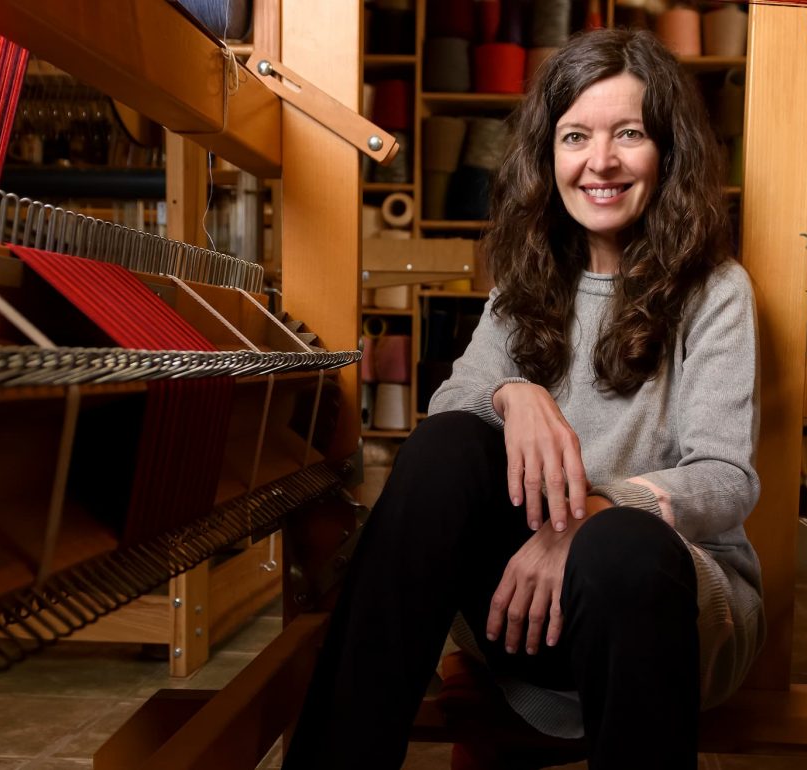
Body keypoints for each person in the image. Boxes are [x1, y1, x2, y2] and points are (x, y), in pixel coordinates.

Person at [284, 27, 764, 769]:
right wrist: (513, 394)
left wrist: (592, 515)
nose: (599, 161)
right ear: (550, 156)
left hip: (664, 611)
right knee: (447, 445)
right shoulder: (529, 280)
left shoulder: (716, 289)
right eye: (575, 137)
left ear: (668, 152)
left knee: (620, 546)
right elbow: (455, 404)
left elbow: (725, 480)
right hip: (531, 611)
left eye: (628, 134)